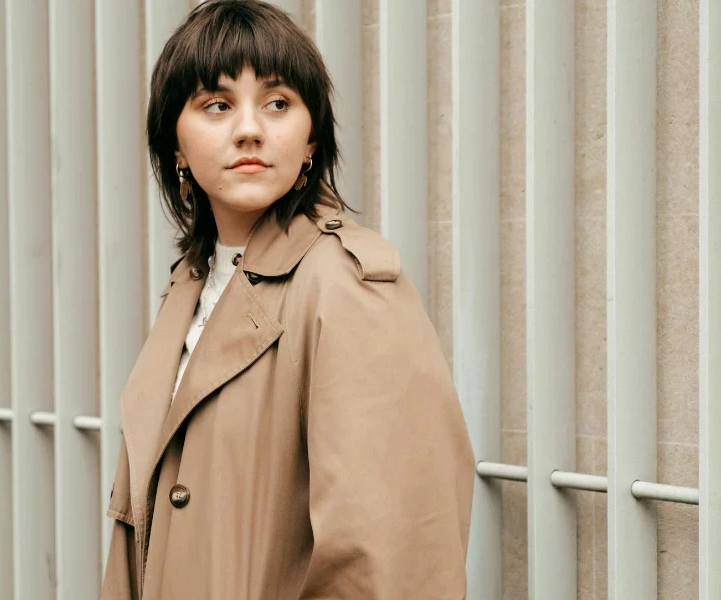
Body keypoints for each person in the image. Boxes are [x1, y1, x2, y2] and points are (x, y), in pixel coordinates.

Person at [101, 1, 474, 598]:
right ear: (175, 142)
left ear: (310, 141)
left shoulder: (346, 285)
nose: (250, 128)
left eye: (277, 103)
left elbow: (389, 561)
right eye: (217, 105)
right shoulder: (190, 284)